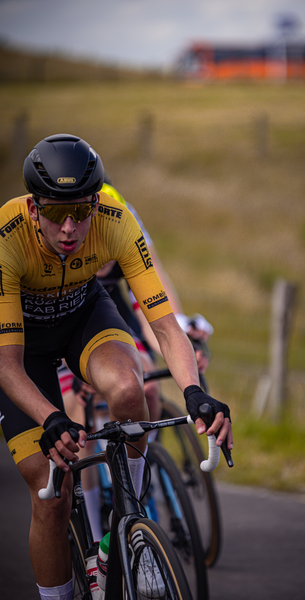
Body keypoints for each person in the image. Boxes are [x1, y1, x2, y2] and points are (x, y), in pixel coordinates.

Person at [0, 133, 233, 600]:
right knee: (51, 494)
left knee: (131, 390)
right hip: (23, 350)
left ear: (95, 202)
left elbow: (166, 326)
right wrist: (49, 417)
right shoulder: (7, 237)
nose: (69, 227)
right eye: (53, 213)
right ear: (32, 209)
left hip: (83, 317)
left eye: (81, 212)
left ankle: (125, 527)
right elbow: (6, 362)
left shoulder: (117, 220)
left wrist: (194, 393)